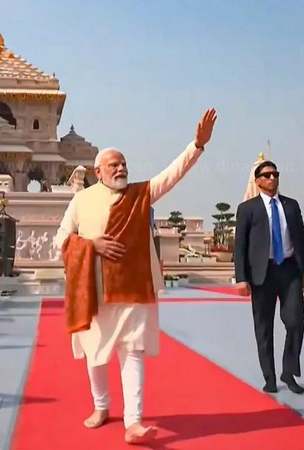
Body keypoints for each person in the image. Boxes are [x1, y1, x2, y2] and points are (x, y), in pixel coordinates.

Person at [54, 108, 217, 445]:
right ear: (98, 171)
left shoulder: (140, 195)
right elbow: (61, 239)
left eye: (124, 164)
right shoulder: (81, 200)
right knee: (96, 352)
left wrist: (197, 146)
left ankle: (134, 422)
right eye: (114, 165)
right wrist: (92, 245)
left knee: (132, 351)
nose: (121, 169)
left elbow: (172, 175)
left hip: (135, 288)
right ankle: (101, 406)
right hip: (94, 290)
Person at [233, 161, 304, 394]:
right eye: (267, 175)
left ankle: (289, 371)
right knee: (264, 328)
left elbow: (302, 238)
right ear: (257, 181)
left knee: (296, 322)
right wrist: (241, 277)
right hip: (262, 273)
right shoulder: (247, 209)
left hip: (289, 270)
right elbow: (240, 245)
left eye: (275, 174)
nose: (272, 178)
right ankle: (269, 377)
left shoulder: (291, 205)